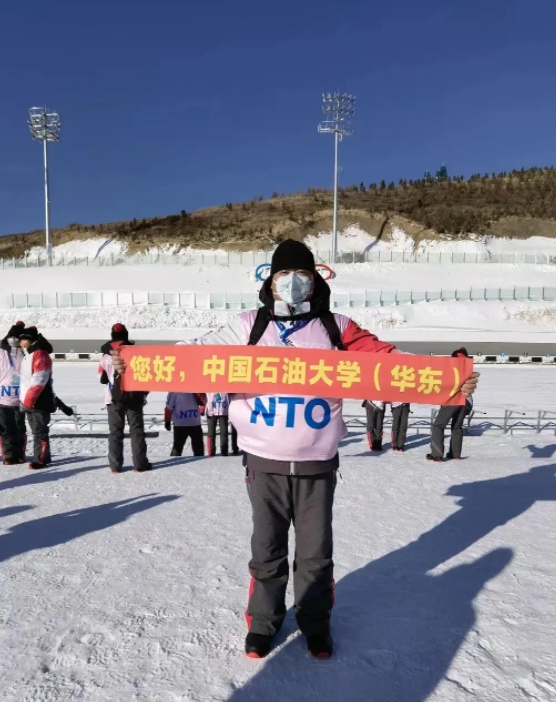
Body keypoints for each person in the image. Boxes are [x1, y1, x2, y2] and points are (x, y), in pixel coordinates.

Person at [111, 239, 479, 660]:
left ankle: (315, 623)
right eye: (283, 275)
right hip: (263, 463)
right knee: (266, 550)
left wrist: (450, 379)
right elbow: (191, 357)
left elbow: (393, 364)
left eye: (302, 274)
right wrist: (134, 363)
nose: (293, 283)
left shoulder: (336, 327)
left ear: (316, 280)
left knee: (315, 553)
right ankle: (264, 622)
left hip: (317, 465)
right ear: (269, 282)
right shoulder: (248, 325)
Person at [99, 323, 151, 474]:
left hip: (113, 398)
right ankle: (140, 464)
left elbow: (102, 378)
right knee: (136, 431)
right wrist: (144, 394)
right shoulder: (135, 352)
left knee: (115, 432)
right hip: (134, 397)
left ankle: (115, 466)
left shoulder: (105, 355)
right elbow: (143, 375)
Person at [0, 323, 27, 465]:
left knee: (19, 429)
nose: (14, 340)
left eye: (17, 337)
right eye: (12, 336)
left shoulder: (27, 355)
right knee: (5, 430)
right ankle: (9, 457)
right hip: (2, 400)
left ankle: (20, 455)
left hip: (20, 400)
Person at [427, 347, 473, 462]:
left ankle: (437, 454)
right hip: (466, 400)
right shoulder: (467, 369)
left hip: (453, 399)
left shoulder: (451, 370)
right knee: (457, 427)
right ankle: (455, 454)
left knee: (438, 425)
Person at [19, 326, 55, 470]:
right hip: (29, 400)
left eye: (25, 339)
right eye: (21, 340)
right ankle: (44, 456)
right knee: (36, 431)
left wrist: (29, 400)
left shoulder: (40, 354)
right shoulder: (28, 354)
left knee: (40, 431)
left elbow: (39, 379)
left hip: (39, 400)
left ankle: (40, 459)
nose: (22, 343)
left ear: (32, 340)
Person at [165, 392, 205, 457]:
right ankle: (174, 464)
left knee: (199, 450)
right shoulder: (174, 392)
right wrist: (167, 421)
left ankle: (200, 464)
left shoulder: (195, 389)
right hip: (181, 424)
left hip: (194, 423)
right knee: (177, 448)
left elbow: (203, 401)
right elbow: (168, 408)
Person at [206, 392, 239, 456]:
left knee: (224, 432)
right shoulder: (210, 385)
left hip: (223, 411)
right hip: (211, 411)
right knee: (211, 433)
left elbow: (232, 392)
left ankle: (224, 451)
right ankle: (211, 452)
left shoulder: (226, 386)